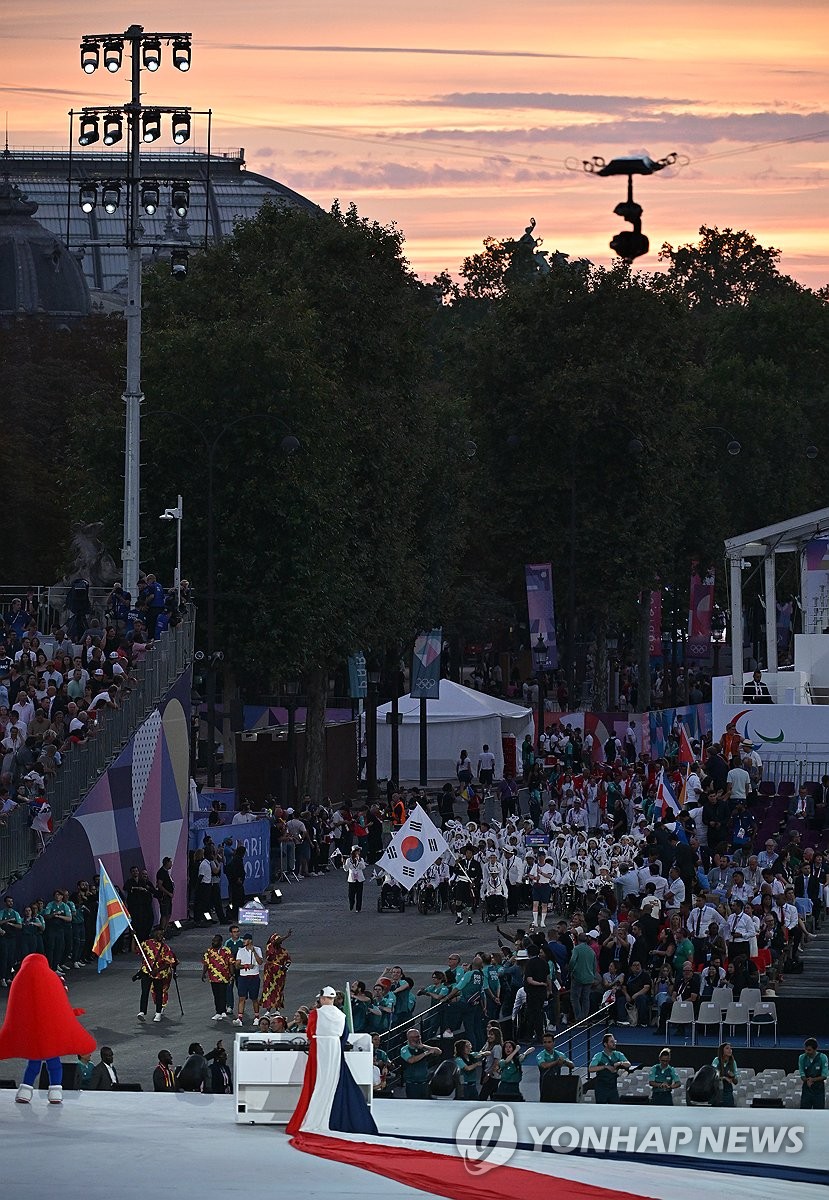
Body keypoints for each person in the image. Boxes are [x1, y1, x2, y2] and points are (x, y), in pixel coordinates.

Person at [286, 986, 378, 1134]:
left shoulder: (316, 1014)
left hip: (318, 1048)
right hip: (335, 1049)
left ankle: (312, 1117)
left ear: (323, 999)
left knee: (315, 1081)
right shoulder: (342, 1015)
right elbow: (344, 1035)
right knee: (333, 1079)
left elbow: (310, 1033)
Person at [136, 927, 178, 1023]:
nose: (161, 936)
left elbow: (169, 962)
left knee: (159, 993)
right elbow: (136, 950)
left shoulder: (165, 947)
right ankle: (142, 1012)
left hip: (159, 974)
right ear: (154, 934)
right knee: (145, 992)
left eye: (162, 934)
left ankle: (158, 1012)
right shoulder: (146, 943)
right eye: (159, 934)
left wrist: (157, 970)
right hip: (146, 972)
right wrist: (134, 938)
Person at [399, 1027, 442, 1099]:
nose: (417, 1038)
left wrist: (423, 1046)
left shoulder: (423, 1048)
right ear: (409, 1038)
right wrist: (426, 1053)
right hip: (412, 1084)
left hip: (424, 1084)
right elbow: (411, 1060)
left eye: (418, 1036)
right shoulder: (405, 1049)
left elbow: (438, 1051)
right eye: (415, 1037)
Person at [588, 1032, 631, 1104]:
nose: (614, 1043)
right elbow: (591, 1069)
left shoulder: (618, 1054)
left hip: (613, 1088)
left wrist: (620, 1063)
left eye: (614, 1041)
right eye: (611, 1042)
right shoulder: (599, 1055)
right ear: (605, 1044)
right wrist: (605, 1067)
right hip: (601, 1088)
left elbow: (628, 1064)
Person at [202, 933, 235, 1021]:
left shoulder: (226, 951)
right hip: (213, 977)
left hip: (224, 977)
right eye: (213, 941)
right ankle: (218, 1012)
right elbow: (206, 963)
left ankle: (223, 1011)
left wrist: (232, 975)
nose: (214, 942)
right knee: (216, 995)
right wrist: (203, 973)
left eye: (216, 941)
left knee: (223, 994)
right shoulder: (209, 951)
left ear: (221, 942)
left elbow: (231, 963)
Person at [233, 932, 263, 1025]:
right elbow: (237, 966)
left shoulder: (258, 949)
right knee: (242, 998)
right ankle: (240, 1018)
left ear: (250, 941)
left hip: (254, 977)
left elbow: (260, 962)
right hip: (243, 977)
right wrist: (245, 966)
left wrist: (254, 952)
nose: (243, 941)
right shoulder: (240, 951)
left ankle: (257, 1017)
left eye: (245, 940)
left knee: (254, 998)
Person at [537, 1031, 574, 1101]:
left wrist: (565, 1061)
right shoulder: (540, 1055)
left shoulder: (560, 1054)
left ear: (554, 1043)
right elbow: (544, 1065)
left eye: (549, 1042)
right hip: (545, 1084)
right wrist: (557, 1061)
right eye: (545, 1042)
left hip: (557, 1083)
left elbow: (572, 1065)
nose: (547, 1044)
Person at [262, 929, 292, 1014]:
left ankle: (277, 1009)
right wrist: (285, 937)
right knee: (268, 990)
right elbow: (269, 957)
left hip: (280, 974)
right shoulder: (269, 947)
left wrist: (286, 966)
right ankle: (268, 1009)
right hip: (269, 973)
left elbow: (288, 961)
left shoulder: (284, 951)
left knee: (279, 990)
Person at [798, 1037, 828, 1110]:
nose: (806, 1052)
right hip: (807, 1088)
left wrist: (812, 1080)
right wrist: (807, 1080)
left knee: (819, 1112)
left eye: (809, 1050)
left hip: (819, 1089)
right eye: (805, 1049)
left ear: (815, 1049)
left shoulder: (823, 1057)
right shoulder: (802, 1057)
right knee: (804, 1111)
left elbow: (824, 1075)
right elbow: (802, 1073)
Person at [712, 1041, 738, 1106]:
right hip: (717, 1091)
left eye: (730, 1048)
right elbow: (714, 1075)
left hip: (728, 1092)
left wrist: (733, 1076)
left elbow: (736, 1081)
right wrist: (724, 1078)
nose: (730, 1050)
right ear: (722, 1050)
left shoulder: (733, 1062)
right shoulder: (716, 1060)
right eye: (727, 1048)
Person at [343, 847, 367, 912]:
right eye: (357, 851)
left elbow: (363, 867)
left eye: (359, 852)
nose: (358, 853)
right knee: (351, 894)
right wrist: (344, 864)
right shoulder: (349, 860)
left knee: (359, 894)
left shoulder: (361, 859)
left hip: (359, 878)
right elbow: (346, 869)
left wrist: (359, 861)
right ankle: (352, 903)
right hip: (352, 879)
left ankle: (358, 908)